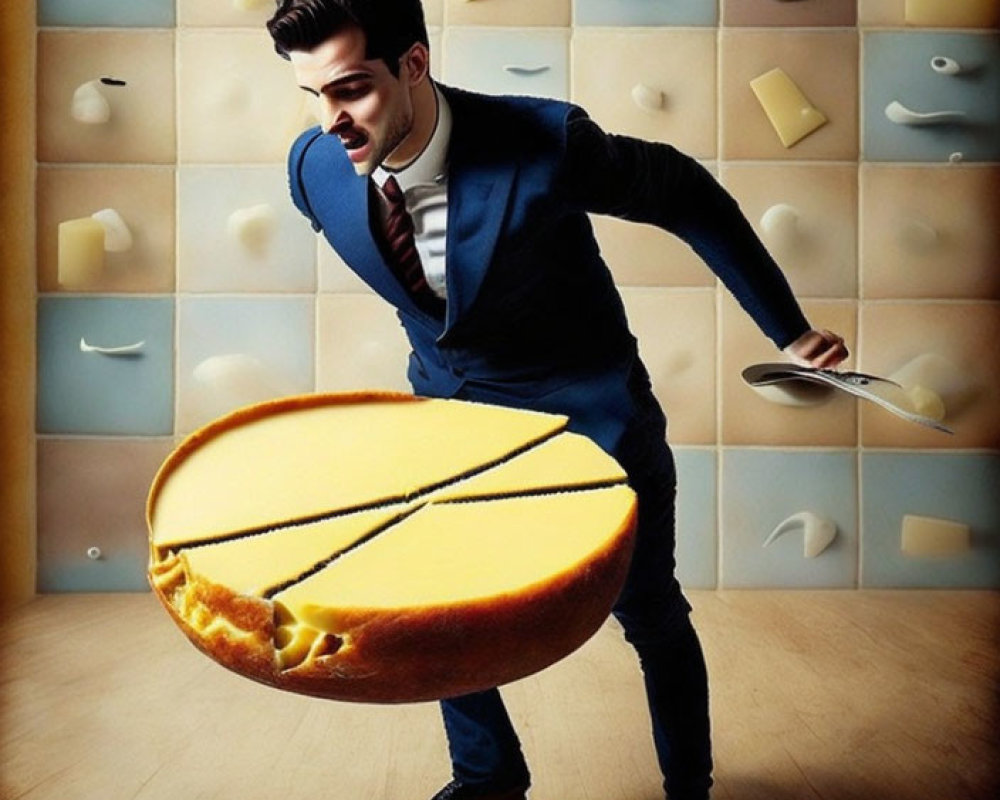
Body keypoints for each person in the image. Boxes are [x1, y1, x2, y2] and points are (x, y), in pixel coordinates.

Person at [265, 2, 848, 798]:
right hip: (455, 422)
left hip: (593, 415)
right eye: (311, 94)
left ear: (412, 64)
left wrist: (790, 331)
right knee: (432, 595)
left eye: (351, 90)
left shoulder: (547, 143)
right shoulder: (315, 170)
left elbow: (686, 194)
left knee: (647, 613)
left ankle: (690, 789)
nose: (331, 119)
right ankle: (488, 779)